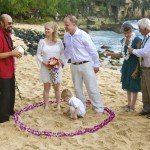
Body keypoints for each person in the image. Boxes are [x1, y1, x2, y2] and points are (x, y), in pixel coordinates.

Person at [63, 15, 104, 116]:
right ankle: (81, 107)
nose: (65, 27)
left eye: (67, 25)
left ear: (74, 24)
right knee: (77, 88)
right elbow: (67, 51)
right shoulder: (66, 36)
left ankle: (98, 108)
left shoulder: (83, 35)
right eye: (65, 25)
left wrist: (96, 64)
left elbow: (93, 50)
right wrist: (62, 62)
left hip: (86, 64)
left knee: (91, 87)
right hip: (73, 65)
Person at [105, 22, 142, 112]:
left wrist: (137, 70)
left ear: (131, 30)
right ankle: (128, 104)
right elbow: (122, 54)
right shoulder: (123, 40)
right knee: (127, 85)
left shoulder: (138, 40)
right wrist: (111, 54)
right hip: (126, 65)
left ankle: (132, 107)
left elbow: (140, 57)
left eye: (128, 32)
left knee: (134, 86)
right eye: (124, 33)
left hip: (134, 65)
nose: (126, 35)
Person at [36, 21, 66, 110]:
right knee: (46, 87)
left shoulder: (59, 42)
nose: (46, 30)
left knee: (57, 86)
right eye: (45, 29)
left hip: (56, 67)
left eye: (48, 29)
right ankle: (46, 105)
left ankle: (58, 104)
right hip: (45, 67)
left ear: (53, 30)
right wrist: (44, 62)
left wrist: (60, 62)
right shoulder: (42, 42)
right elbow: (38, 55)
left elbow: (62, 54)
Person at [0, 14, 22, 123]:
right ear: (1, 23)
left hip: (10, 69)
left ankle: (9, 112)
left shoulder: (7, 33)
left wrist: (15, 51)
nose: (11, 25)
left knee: (11, 92)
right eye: (9, 23)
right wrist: (11, 53)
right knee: (5, 95)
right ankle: (3, 118)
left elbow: (8, 50)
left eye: (12, 23)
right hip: (2, 71)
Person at [128, 18, 150, 118]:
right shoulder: (145, 37)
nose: (139, 30)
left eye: (140, 28)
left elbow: (145, 52)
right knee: (145, 90)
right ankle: (146, 109)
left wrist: (133, 51)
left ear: (146, 28)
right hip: (145, 67)